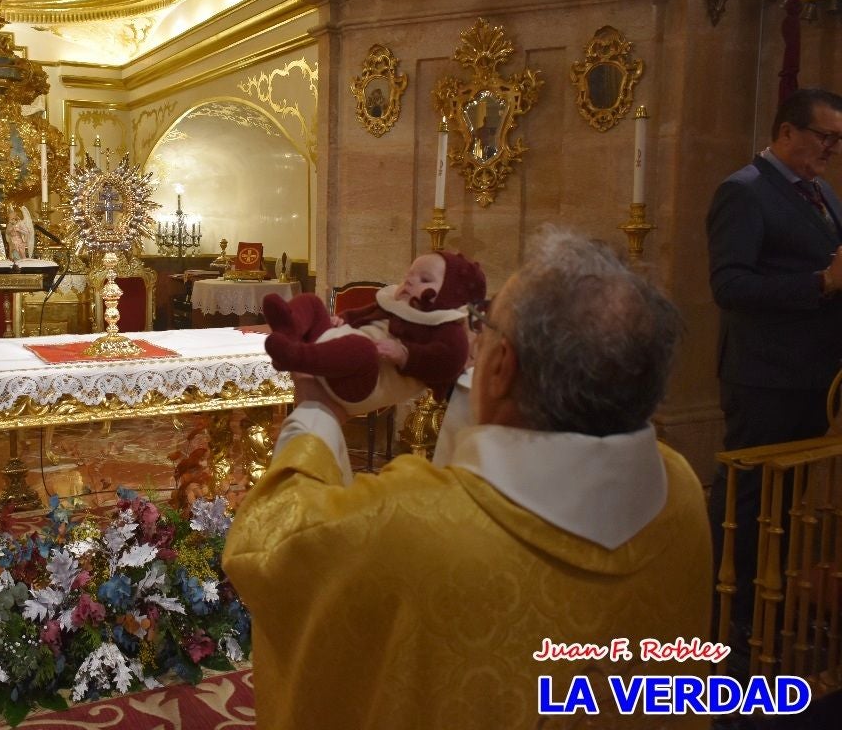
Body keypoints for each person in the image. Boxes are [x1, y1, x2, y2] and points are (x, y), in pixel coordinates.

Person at [224, 227, 712, 729]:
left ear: (500, 366)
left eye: (484, 323)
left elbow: (269, 544)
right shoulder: (682, 490)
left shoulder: (403, 522)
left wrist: (316, 412)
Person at [705, 87, 842, 641]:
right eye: (825, 136)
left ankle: (771, 601)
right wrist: (819, 283)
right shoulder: (743, 192)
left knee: (786, 504)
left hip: (814, 375)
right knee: (749, 498)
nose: (832, 148)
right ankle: (730, 619)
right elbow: (729, 285)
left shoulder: (823, 192)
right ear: (787, 132)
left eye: (839, 139)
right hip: (764, 376)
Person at [261, 250, 485, 416]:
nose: (409, 281)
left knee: (363, 349)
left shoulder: (445, 327)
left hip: (362, 384)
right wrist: (343, 319)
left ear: (450, 295)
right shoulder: (394, 304)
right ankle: (288, 330)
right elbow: (362, 314)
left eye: (424, 280)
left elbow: (448, 361)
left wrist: (406, 355)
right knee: (312, 302)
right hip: (334, 350)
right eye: (409, 274)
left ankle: (294, 356)